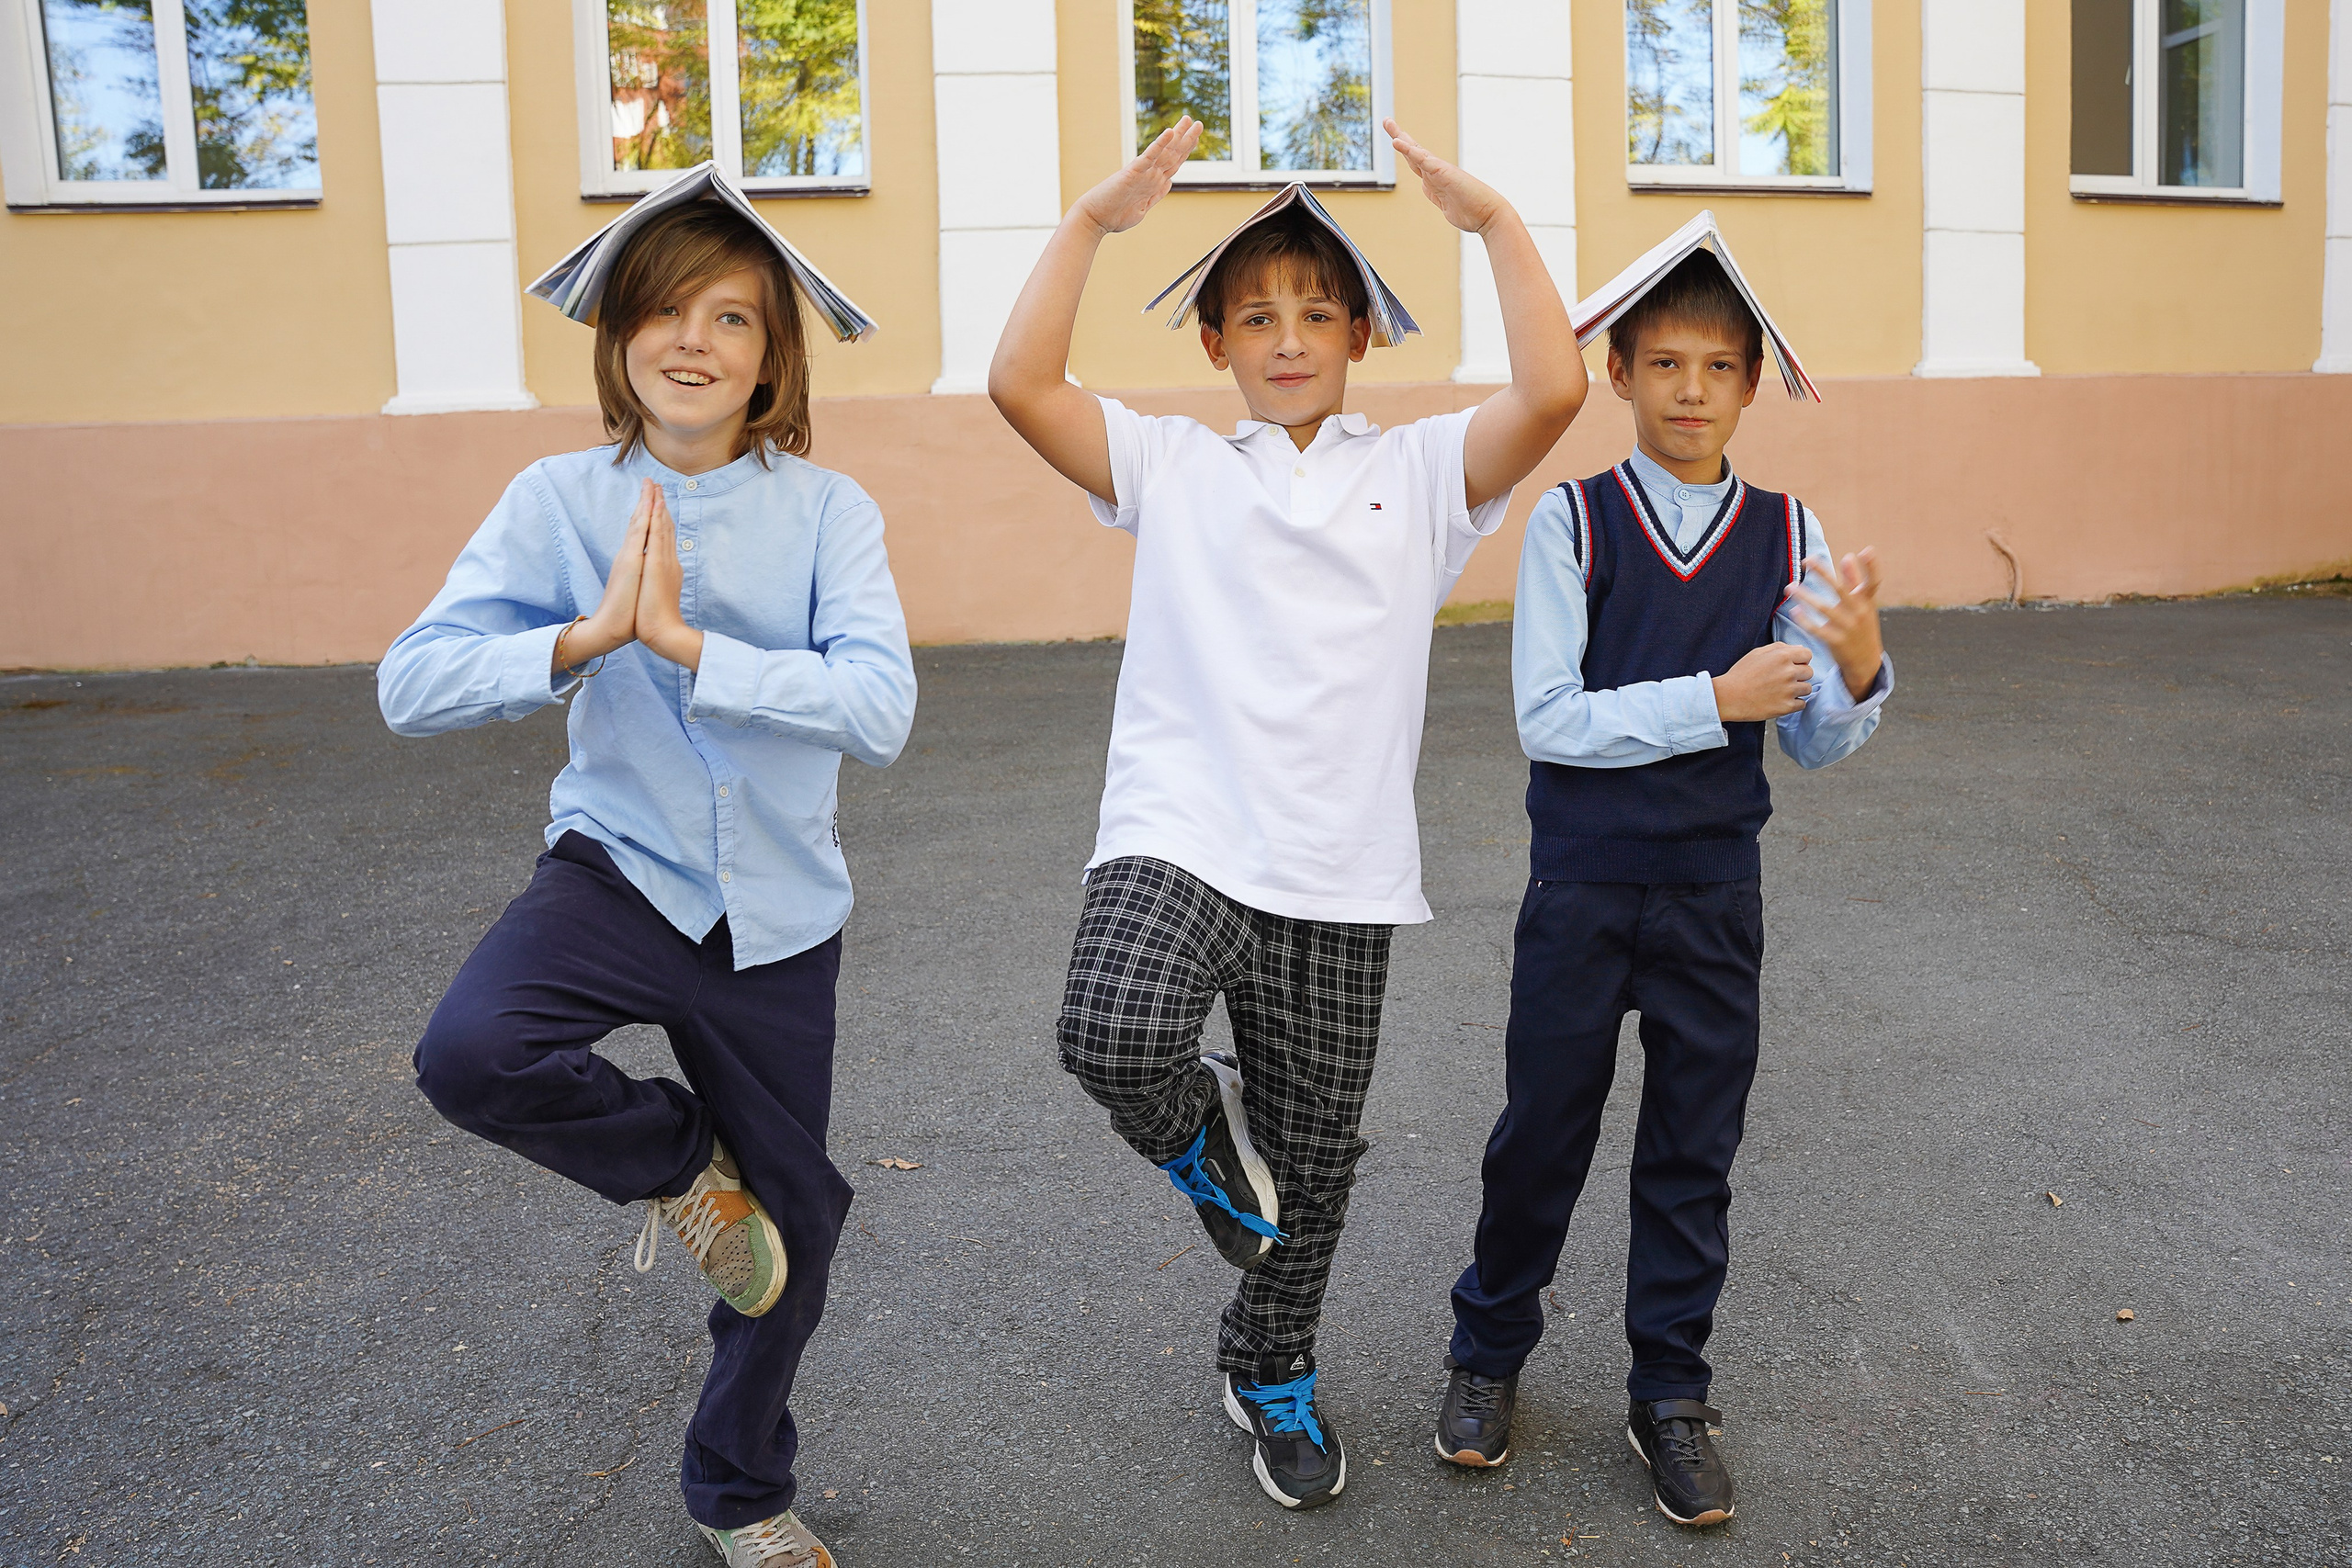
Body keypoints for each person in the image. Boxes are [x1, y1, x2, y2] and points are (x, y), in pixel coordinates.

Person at [987, 115, 1587, 1509]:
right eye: (1256, 316)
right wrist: (1090, 223)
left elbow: (1553, 391)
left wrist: (1494, 224)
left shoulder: (1421, 475)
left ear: (1362, 332)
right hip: (1181, 829)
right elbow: (1022, 385)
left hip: (1340, 868)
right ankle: (1204, 1142)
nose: (1290, 337)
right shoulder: (1174, 465)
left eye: (1318, 311)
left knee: (1312, 1169)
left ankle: (1269, 1367)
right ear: (1215, 345)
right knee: (1114, 1027)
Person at [378, 197, 915, 1568]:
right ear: (618, 338)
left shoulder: (829, 511)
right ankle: (684, 1166)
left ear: (772, 357)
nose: (694, 340)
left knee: (797, 1231)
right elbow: (412, 683)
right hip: (618, 870)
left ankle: (740, 1492)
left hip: (778, 913)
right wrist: (586, 636)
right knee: (473, 1051)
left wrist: (685, 646)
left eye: (731, 317)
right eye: (665, 310)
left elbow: (879, 710)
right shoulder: (557, 498)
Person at [1432, 249, 1892, 1529]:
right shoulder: (1573, 521)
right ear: (1619, 373)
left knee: (1694, 1151)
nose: (1693, 389)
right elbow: (1548, 719)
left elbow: (1811, 741)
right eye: (1667, 363)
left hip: (1712, 893)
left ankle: (1671, 1393)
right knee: (1542, 1136)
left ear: (1752, 385)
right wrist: (1714, 700)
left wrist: (1859, 666)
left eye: (1720, 367)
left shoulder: (1788, 533)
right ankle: (1486, 1356)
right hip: (1581, 887)